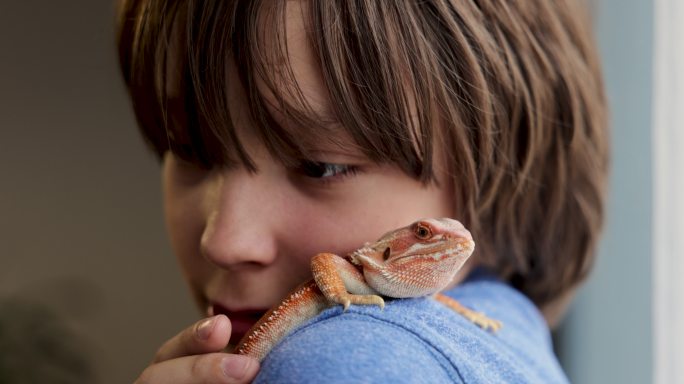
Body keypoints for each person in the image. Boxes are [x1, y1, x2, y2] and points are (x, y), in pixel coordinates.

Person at [117, 0, 608, 382]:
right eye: (187, 149)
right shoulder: (510, 328)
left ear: (504, 189)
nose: (223, 242)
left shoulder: (334, 362)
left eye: (320, 165)